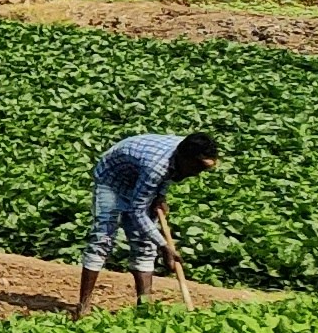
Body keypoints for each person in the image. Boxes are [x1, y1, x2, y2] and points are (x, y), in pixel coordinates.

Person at [79, 130, 220, 309]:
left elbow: (170, 174)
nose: (196, 174)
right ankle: (83, 306)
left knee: (145, 245)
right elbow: (138, 211)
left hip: (139, 176)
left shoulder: (183, 153)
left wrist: (159, 196)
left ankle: (144, 308)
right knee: (103, 238)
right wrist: (164, 246)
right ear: (185, 159)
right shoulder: (156, 166)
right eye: (196, 168)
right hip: (112, 179)